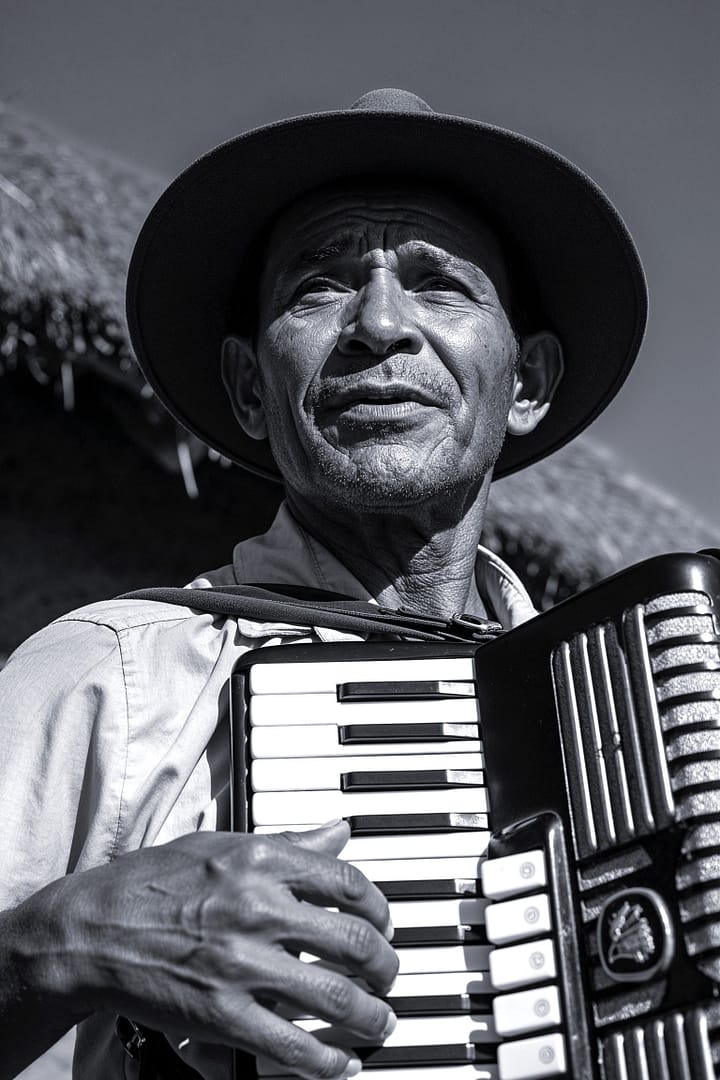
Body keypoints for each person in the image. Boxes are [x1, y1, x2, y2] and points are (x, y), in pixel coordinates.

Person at [0, 89, 647, 1080]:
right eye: (318, 287)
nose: (379, 324)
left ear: (528, 383)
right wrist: (50, 949)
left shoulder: (638, 720)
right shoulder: (109, 677)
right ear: (252, 388)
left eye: (439, 286)